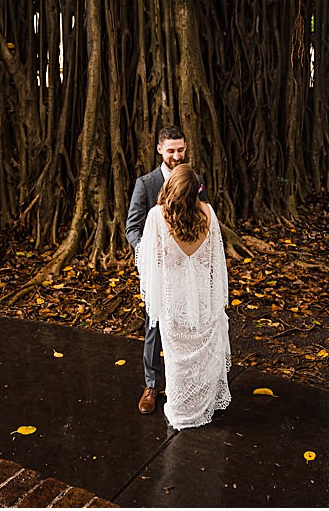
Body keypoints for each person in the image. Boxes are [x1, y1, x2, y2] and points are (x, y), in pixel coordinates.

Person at [135, 163, 232, 430]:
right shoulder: (208, 213)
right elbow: (215, 262)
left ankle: (180, 409)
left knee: (177, 357)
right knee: (201, 355)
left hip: (173, 299)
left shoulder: (157, 217)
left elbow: (150, 261)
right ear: (195, 191)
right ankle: (202, 404)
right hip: (201, 297)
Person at [127, 125, 188, 415]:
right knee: (154, 325)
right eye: (171, 150)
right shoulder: (146, 183)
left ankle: (182, 382)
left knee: (187, 323)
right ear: (160, 150)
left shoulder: (194, 180)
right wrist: (150, 256)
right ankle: (151, 384)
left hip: (186, 266)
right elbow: (132, 228)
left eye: (181, 150)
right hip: (157, 268)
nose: (177, 155)